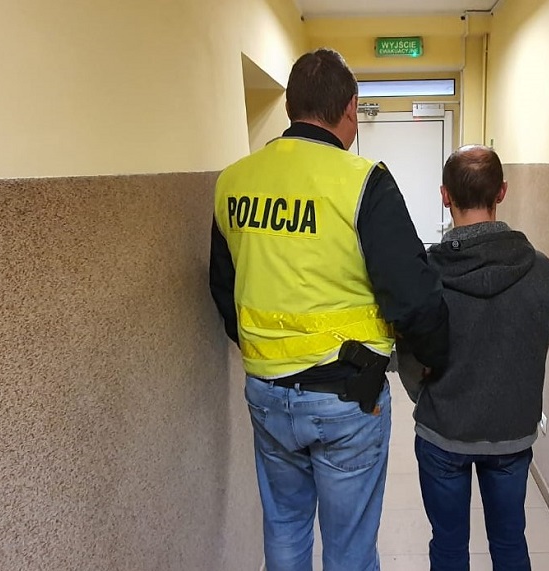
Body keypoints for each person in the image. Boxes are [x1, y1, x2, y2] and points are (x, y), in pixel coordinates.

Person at [209, 48, 449, 571]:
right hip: (347, 399)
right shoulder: (363, 180)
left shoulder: (233, 182)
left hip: (267, 394)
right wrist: (433, 358)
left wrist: (268, 353)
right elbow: (413, 295)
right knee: (349, 548)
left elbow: (224, 289)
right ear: (351, 108)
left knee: (285, 530)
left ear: (291, 106)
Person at [397, 145, 549, 571]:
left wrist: (427, 394)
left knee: (449, 548)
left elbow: (410, 353)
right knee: (510, 543)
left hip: (443, 431)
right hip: (511, 432)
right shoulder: (542, 271)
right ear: (501, 192)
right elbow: (536, 344)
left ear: (444, 196)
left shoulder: (426, 276)